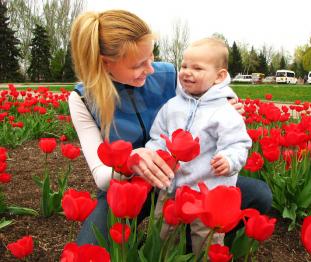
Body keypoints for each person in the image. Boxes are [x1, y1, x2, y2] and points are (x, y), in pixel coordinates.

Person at [68, 9, 272, 247]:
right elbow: (102, 176)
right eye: (139, 64)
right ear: (105, 63)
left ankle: (180, 243)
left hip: (180, 179)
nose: (151, 69)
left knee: (259, 195)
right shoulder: (83, 99)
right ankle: (159, 243)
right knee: (87, 250)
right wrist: (131, 159)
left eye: (151, 57)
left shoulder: (170, 74)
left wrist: (224, 107)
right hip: (128, 189)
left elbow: (206, 94)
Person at [146, 37, 252, 255]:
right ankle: (165, 258)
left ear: (219, 76)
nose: (186, 72)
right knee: (163, 231)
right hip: (171, 186)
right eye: (184, 66)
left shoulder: (224, 111)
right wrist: (157, 154)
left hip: (207, 191)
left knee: (206, 239)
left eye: (197, 68)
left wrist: (229, 160)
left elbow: (238, 143)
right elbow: (158, 136)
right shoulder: (172, 106)